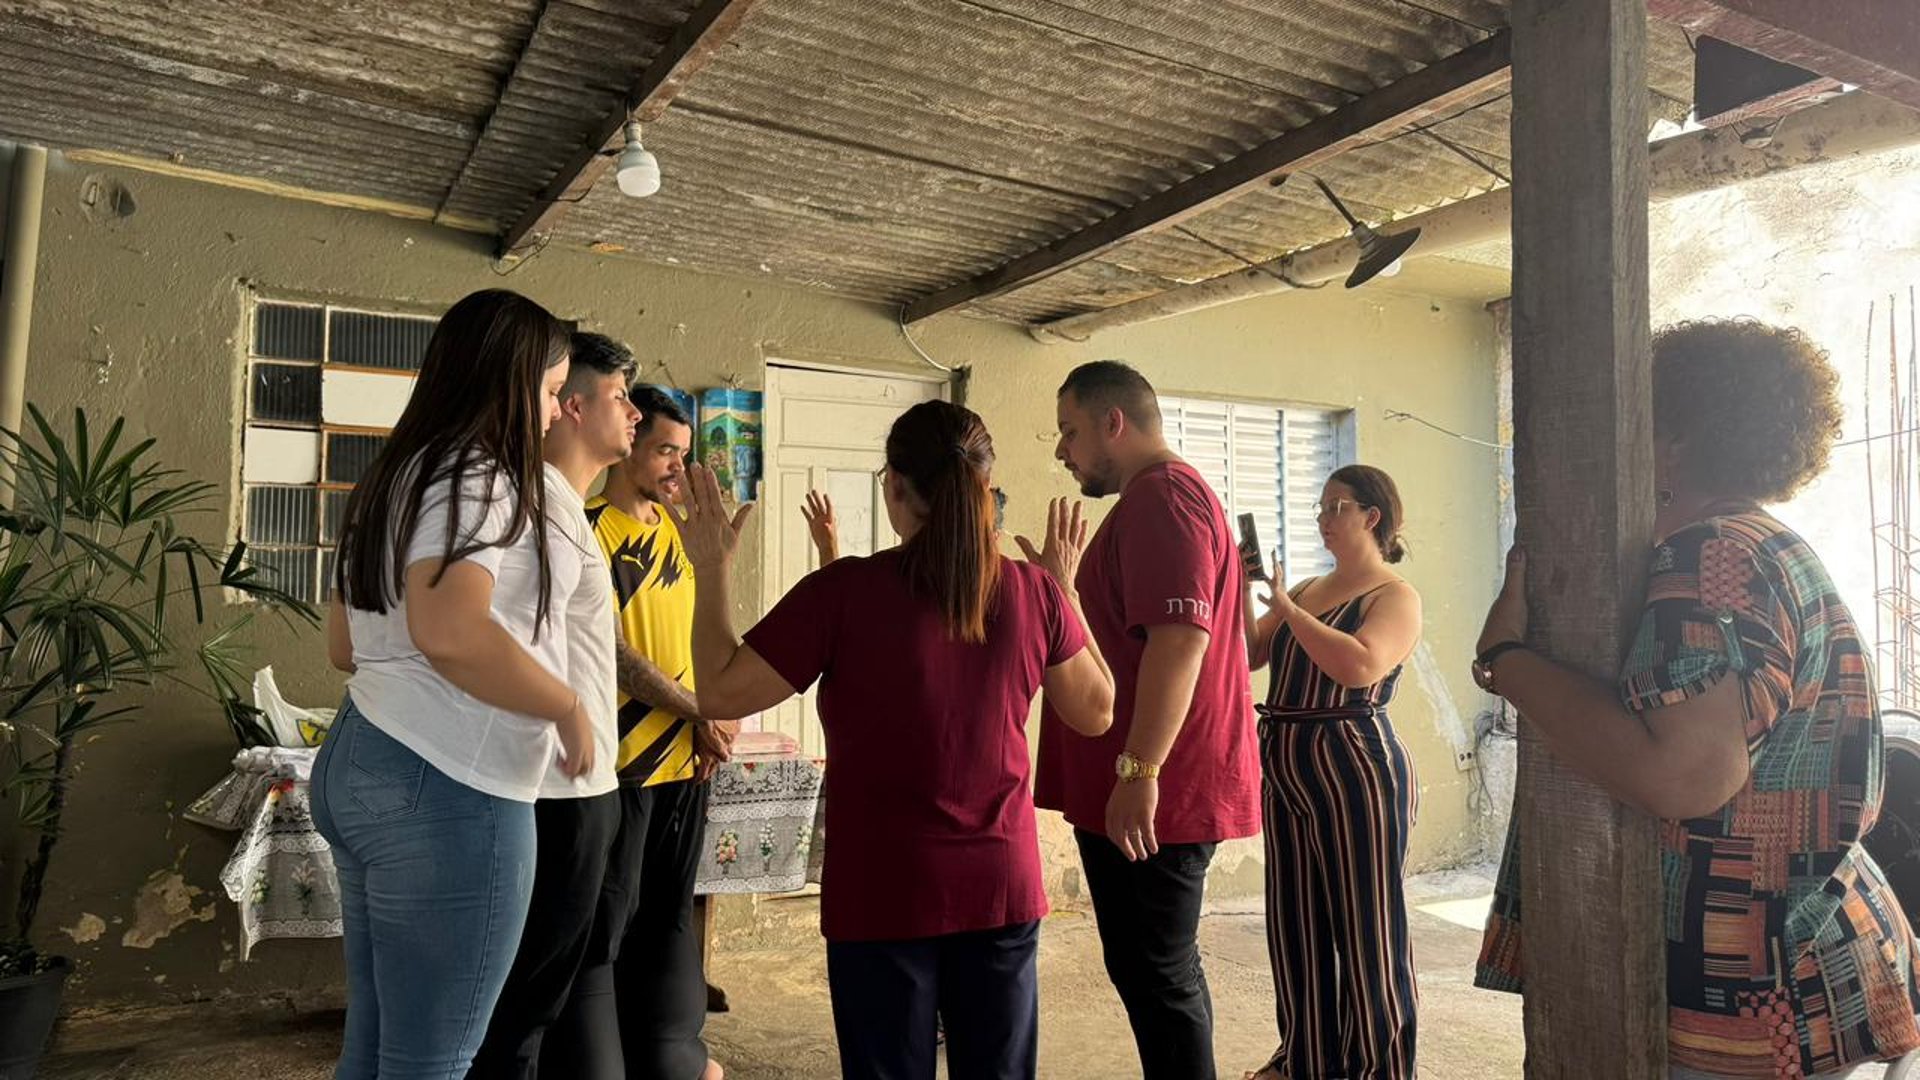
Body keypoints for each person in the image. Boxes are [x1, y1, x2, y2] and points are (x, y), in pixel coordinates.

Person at [1473, 319, 1920, 1079]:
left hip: (1753, 984)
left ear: (1674, 440)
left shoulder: (1706, 555)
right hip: (1807, 953)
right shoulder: (1766, 544)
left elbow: (1687, 777)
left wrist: (1506, 660)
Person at [672, 399, 1114, 1080]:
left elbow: (721, 693)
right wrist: (1066, 591)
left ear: (897, 487)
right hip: (999, 885)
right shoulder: (1033, 592)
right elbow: (1098, 711)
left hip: (882, 891)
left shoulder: (845, 591)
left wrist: (712, 569)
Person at [314, 288, 593, 1079]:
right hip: (448, 783)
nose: (555, 412)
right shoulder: (478, 475)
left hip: (365, 753)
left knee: (376, 1048)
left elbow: (345, 646)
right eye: (549, 390)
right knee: (434, 1060)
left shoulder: (391, 476)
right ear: (508, 380)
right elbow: (449, 629)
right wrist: (566, 705)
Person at [1034, 360, 1261, 1080]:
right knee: (1150, 968)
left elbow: (1180, 639)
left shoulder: (1164, 498)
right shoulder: (1152, 500)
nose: (1062, 450)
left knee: (1157, 972)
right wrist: (1064, 590)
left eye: (1069, 431)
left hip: (1161, 788)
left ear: (1113, 422)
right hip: (1142, 783)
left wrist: (1140, 769)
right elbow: (1128, 636)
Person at [546, 377, 731, 1080]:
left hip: (686, 764)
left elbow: (700, 638)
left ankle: (672, 1052)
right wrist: (699, 709)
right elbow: (614, 657)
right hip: (620, 768)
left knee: (668, 917)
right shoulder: (590, 528)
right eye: (663, 451)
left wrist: (718, 710)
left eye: (683, 453)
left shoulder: (680, 535)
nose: (677, 467)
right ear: (628, 446)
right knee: (606, 927)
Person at [469, 333, 642, 1078]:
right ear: (570, 406)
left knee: (555, 999)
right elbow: (494, 640)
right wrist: (567, 716)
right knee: (521, 1010)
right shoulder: (534, 505)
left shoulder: (566, 508)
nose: (634, 413)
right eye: (619, 396)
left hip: (584, 783)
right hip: (552, 788)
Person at [1243, 465, 1424, 1080]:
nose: (1322, 519)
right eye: (1320, 508)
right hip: (1287, 759)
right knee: (1295, 922)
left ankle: (1380, 1068)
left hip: (1354, 762)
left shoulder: (1393, 596)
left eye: (1335, 507)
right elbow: (1250, 653)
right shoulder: (1310, 588)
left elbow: (1360, 666)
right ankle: (1308, 1059)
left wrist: (1289, 610)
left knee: (1368, 927)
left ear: (1372, 516)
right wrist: (1244, 589)